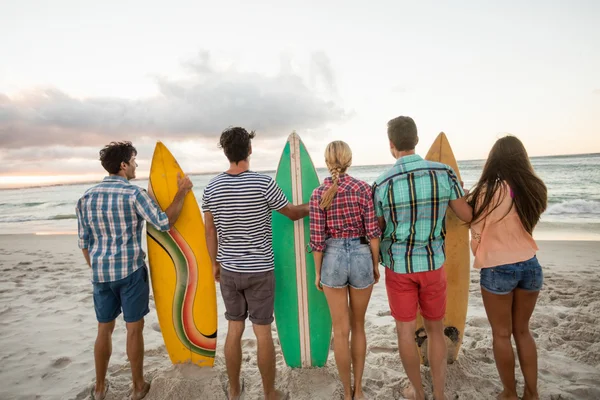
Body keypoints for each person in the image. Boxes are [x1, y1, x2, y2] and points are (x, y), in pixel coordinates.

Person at [76, 141, 193, 400]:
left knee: (103, 329)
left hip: (100, 275)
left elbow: (84, 244)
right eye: (134, 160)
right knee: (133, 329)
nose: (137, 165)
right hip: (130, 273)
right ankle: (139, 387)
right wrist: (182, 192)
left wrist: (98, 268)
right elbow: (163, 222)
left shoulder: (86, 198)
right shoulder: (133, 194)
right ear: (123, 165)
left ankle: (99, 388)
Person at [202, 127, 308, 400]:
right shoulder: (263, 184)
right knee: (262, 333)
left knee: (234, 329)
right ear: (249, 150)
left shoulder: (212, 187)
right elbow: (293, 214)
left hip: (229, 270)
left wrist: (214, 263)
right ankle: (270, 392)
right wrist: (315, 204)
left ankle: (235, 390)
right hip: (260, 269)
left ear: (225, 153)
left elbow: (210, 231)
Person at [372, 116, 473, 400]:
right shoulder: (444, 173)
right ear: (416, 140)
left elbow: (377, 231)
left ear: (391, 145)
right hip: (432, 264)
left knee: (405, 332)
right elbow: (466, 215)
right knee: (435, 329)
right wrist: (466, 195)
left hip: (399, 268)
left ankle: (417, 391)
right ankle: (439, 393)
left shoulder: (382, 183)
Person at [468, 136, 547, 400]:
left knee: (501, 334)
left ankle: (509, 393)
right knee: (523, 331)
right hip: (531, 266)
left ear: (494, 159)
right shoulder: (532, 189)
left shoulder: (486, 191)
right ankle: (532, 393)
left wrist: (479, 251)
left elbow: (476, 234)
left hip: (498, 269)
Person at [308, 140, 381, 400]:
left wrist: (318, 273)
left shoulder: (318, 194)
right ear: (349, 160)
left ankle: (347, 393)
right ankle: (359, 389)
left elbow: (317, 240)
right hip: (362, 255)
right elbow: (373, 232)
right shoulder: (363, 189)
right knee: (359, 326)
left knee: (341, 330)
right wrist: (374, 264)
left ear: (327, 162)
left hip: (332, 257)